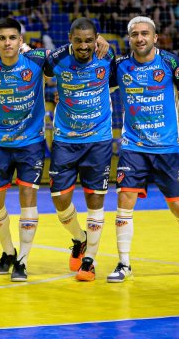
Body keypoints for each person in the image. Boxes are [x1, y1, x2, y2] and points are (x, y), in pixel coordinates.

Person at [111, 16, 179, 282]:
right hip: (133, 146)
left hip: (167, 147)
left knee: (178, 206)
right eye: (134, 34)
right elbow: (96, 85)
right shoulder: (120, 66)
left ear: (155, 37)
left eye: (144, 33)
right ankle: (124, 263)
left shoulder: (170, 62)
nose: (140, 38)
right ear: (129, 39)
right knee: (124, 201)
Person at [0, 17, 48, 282]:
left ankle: (22, 261)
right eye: (2, 38)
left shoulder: (36, 60)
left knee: (28, 196)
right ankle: (8, 252)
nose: (7, 43)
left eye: (12, 38)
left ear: (20, 40)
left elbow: (70, 54)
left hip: (31, 142)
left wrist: (99, 41)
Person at [43, 18, 115, 282]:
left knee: (95, 200)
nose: (84, 46)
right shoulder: (57, 59)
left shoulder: (107, 56)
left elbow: (114, 83)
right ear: (69, 39)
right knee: (59, 199)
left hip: (98, 140)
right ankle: (79, 237)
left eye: (89, 40)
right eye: (78, 41)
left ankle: (89, 261)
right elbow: (39, 71)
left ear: (97, 38)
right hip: (65, 139)